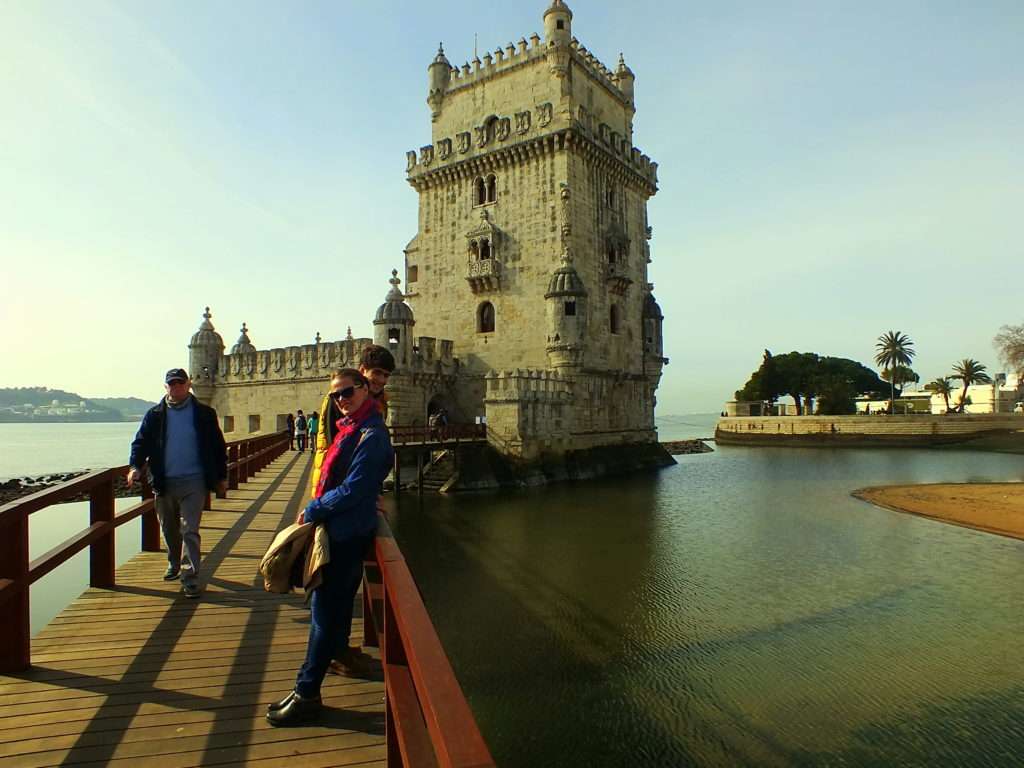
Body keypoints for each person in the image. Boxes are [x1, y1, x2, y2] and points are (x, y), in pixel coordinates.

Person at [267, 368, 394, 726]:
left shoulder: (371, 434)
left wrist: (313, 508)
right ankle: (308, 686)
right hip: (342, 531)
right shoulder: (352, 428)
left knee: (323, 615)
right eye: (336, 395)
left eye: (348, 392)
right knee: (330, 615)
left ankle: (306, 693)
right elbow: (355, 484)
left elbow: (355, 488)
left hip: (345, 536)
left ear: (366, 389)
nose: (341, 400)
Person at [309, 345, 396, 677]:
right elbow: (335, 452)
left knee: (344, 586)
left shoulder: (377, 405)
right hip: (334, 502)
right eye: (376, 374)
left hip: (347, 502)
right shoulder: (341, 403)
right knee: (330, 590)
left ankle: (337, 650)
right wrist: (321, 504)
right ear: (363, 371)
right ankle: (324, 664)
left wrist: (371, 490)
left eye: (385, 376)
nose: (380, 380)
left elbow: (367, 457)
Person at [127, 369, 227, 599]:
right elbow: (140, 443)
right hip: (164, 481)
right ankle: (174, 561)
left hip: (195, 481)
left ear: (189, 384)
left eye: (180, 383)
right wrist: (134, 467)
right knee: (169, 528)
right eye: (172, 384)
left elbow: (218, 447)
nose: (176, 387)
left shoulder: (204, 413)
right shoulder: (155, 415)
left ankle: (190, 577)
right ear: (166, 387)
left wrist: (221, 477)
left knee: (189, 529)